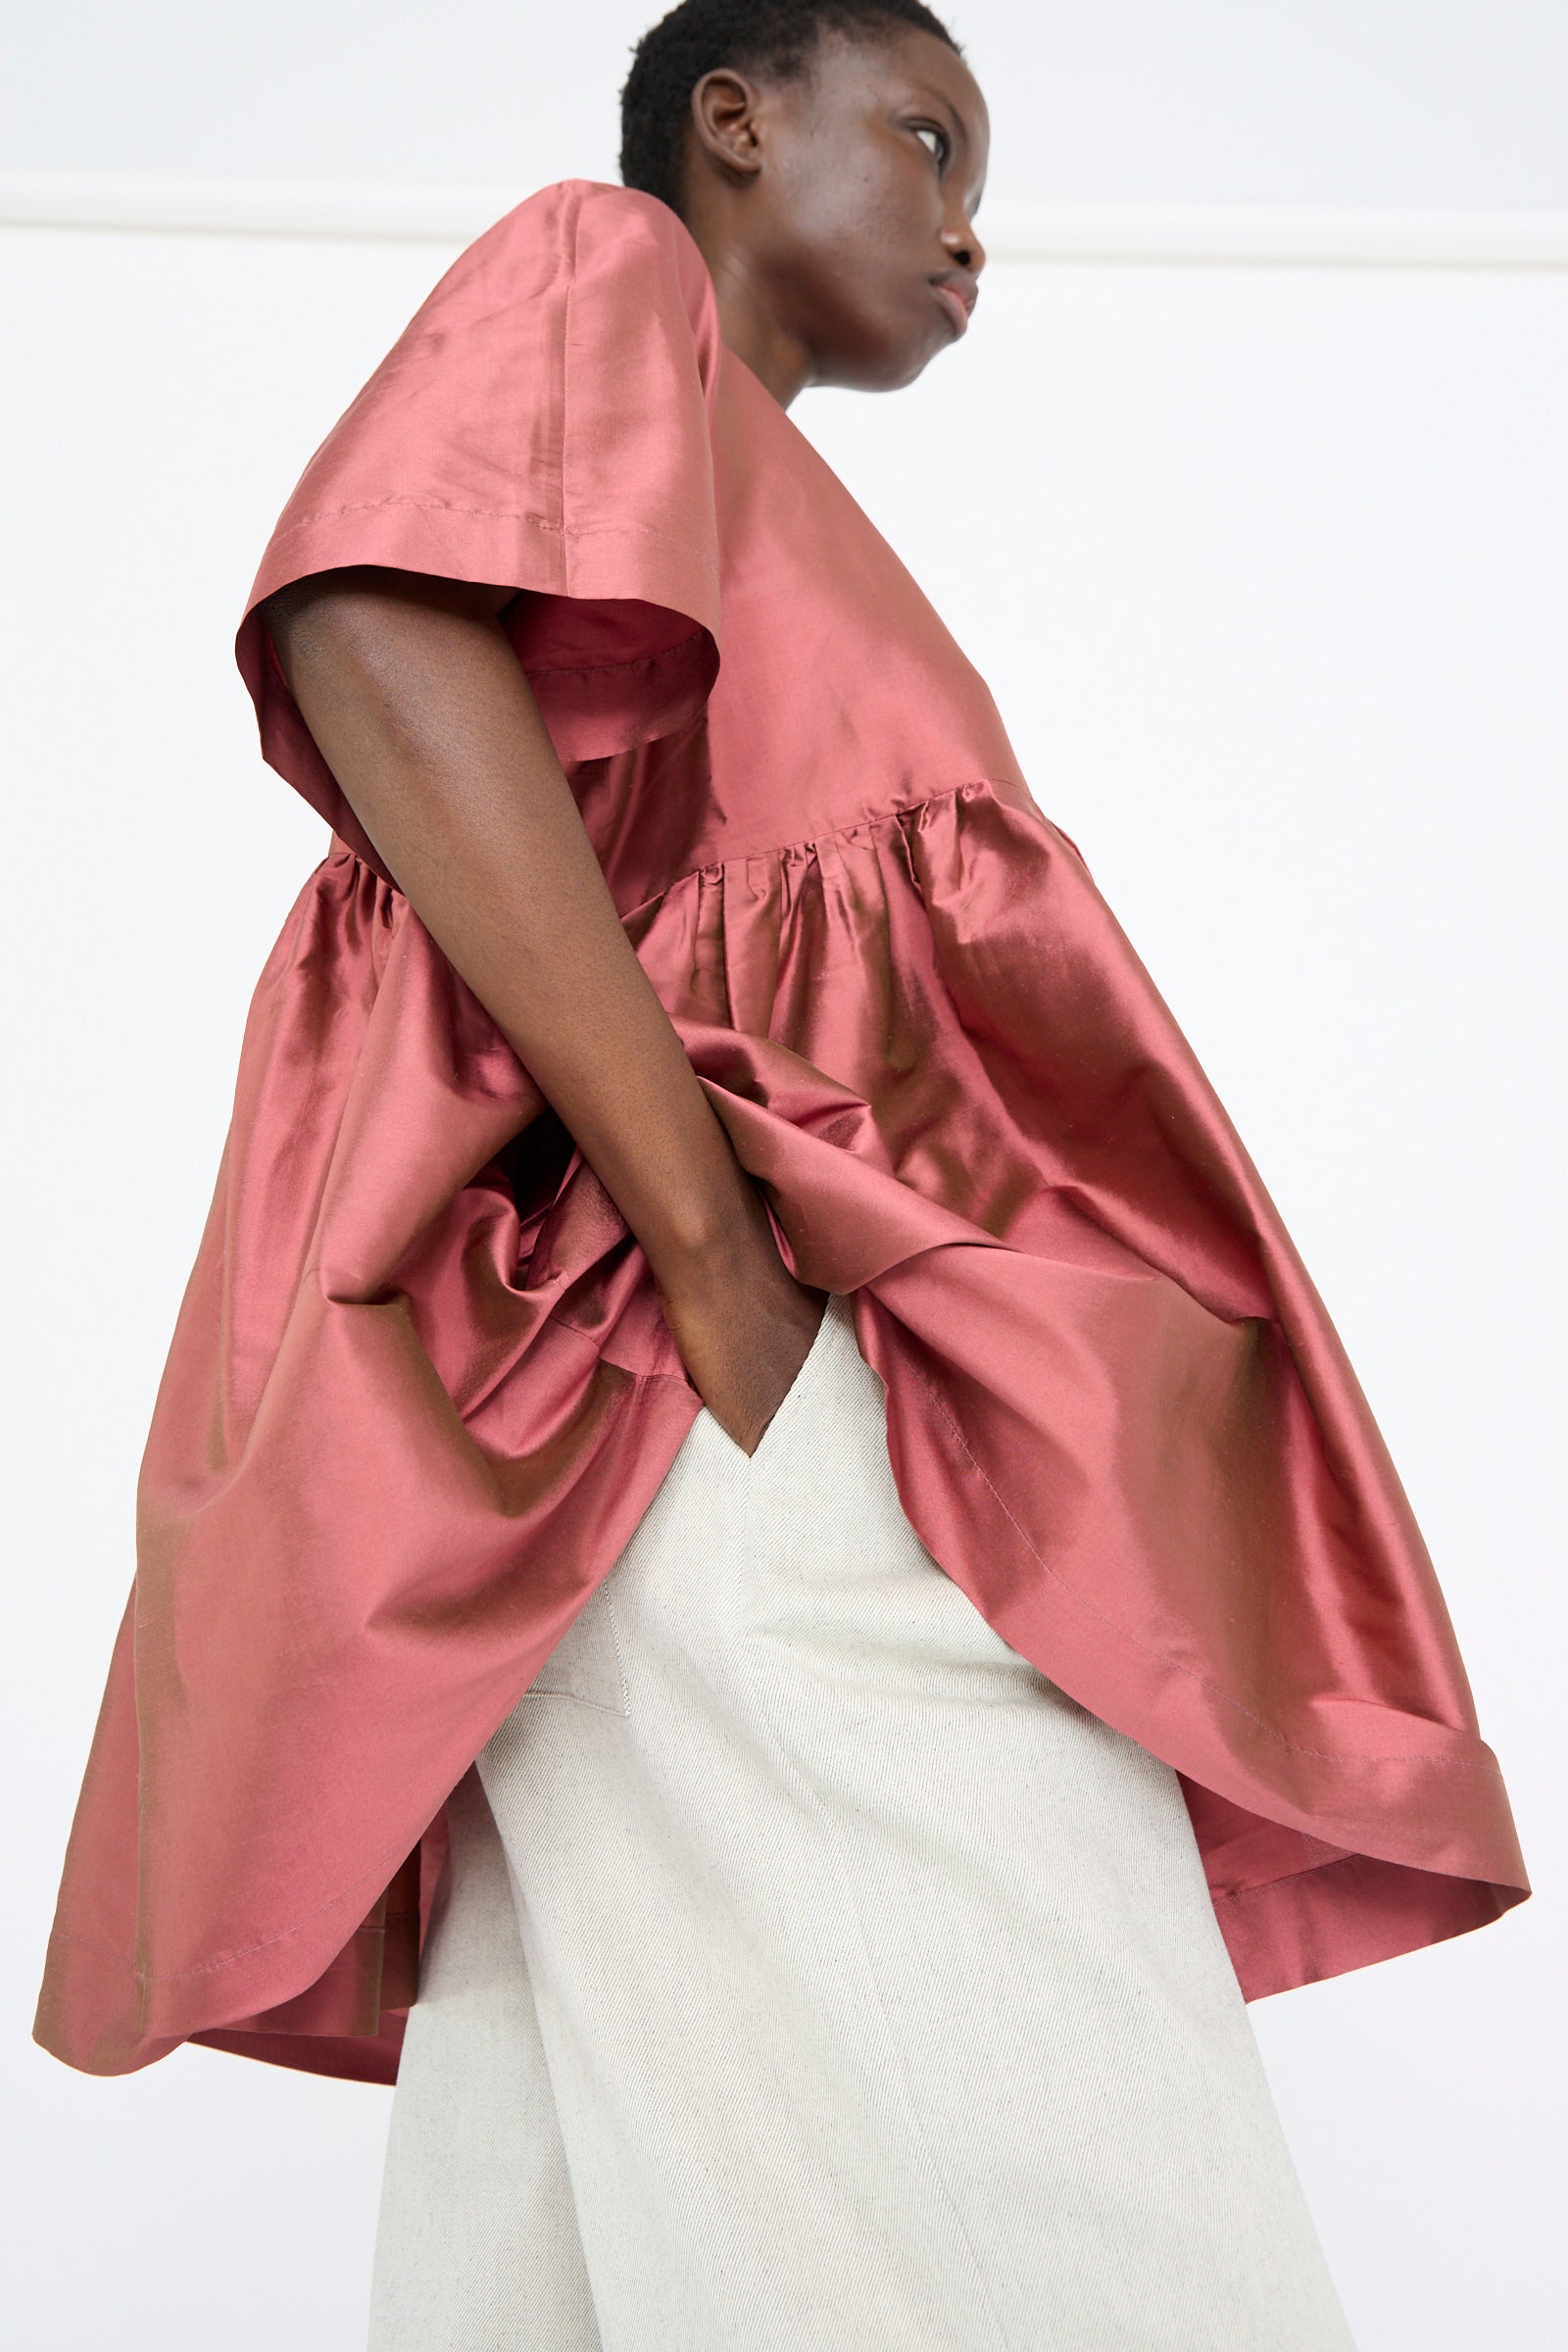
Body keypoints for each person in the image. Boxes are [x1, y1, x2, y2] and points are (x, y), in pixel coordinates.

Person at [36, 1, 1526, 2343]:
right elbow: (365, 626)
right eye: (925, 143)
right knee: (1060, 2132)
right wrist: (731, 1280)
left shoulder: (721, 483)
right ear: (729, 124)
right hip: (711, 1390)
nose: (967, 231)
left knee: (573, 2219)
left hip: (648, 1428)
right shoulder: (592, 274)